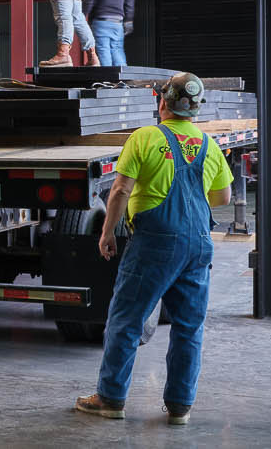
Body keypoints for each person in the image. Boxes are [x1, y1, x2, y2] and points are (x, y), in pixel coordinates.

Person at [74, 73, 233, 427]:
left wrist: (107, 232)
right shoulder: (209, 144)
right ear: (195, 109)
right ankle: (180, 407)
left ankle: (111, 398)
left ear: (162, 102)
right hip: (198, 245)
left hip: (155, 244)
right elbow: (222, 198)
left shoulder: (145, 137)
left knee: (127, 320)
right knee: (188, 327)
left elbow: (119, 191)